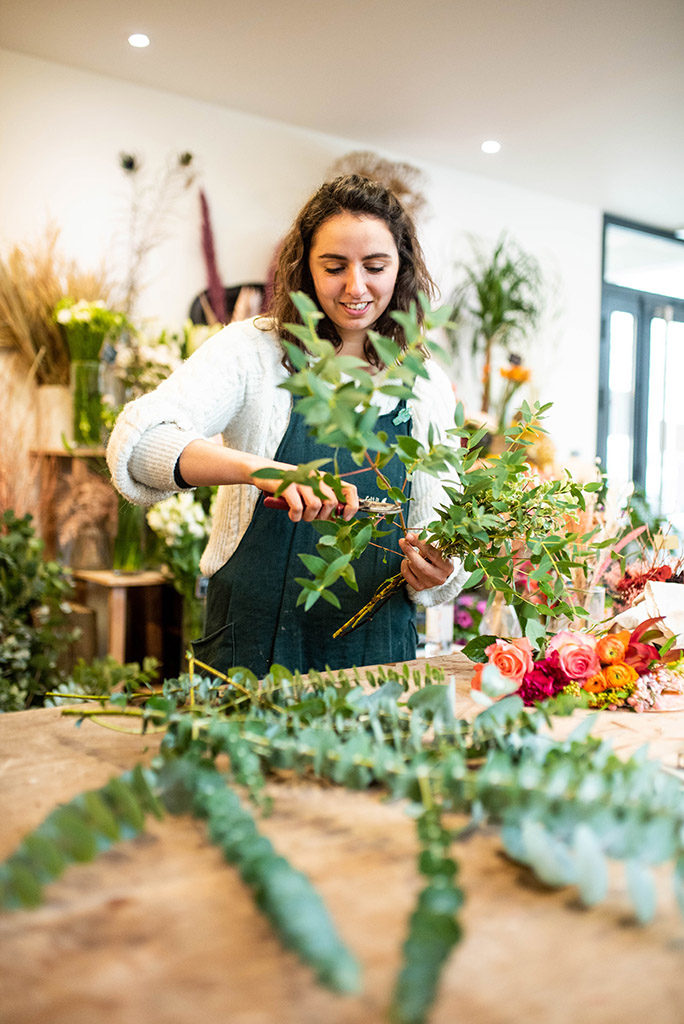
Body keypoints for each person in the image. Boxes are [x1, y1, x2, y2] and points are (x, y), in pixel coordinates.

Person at [107, 174, 467, 678]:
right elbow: (142, 445)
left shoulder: (425, 383)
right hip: (252, 645)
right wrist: (263, 472)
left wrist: (439, 569)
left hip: (377, 657)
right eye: (335, 266)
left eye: (376, 266)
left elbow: (445, 543)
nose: (356, 286)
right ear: (304, 267)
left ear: (400, 269)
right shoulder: (252, 351)